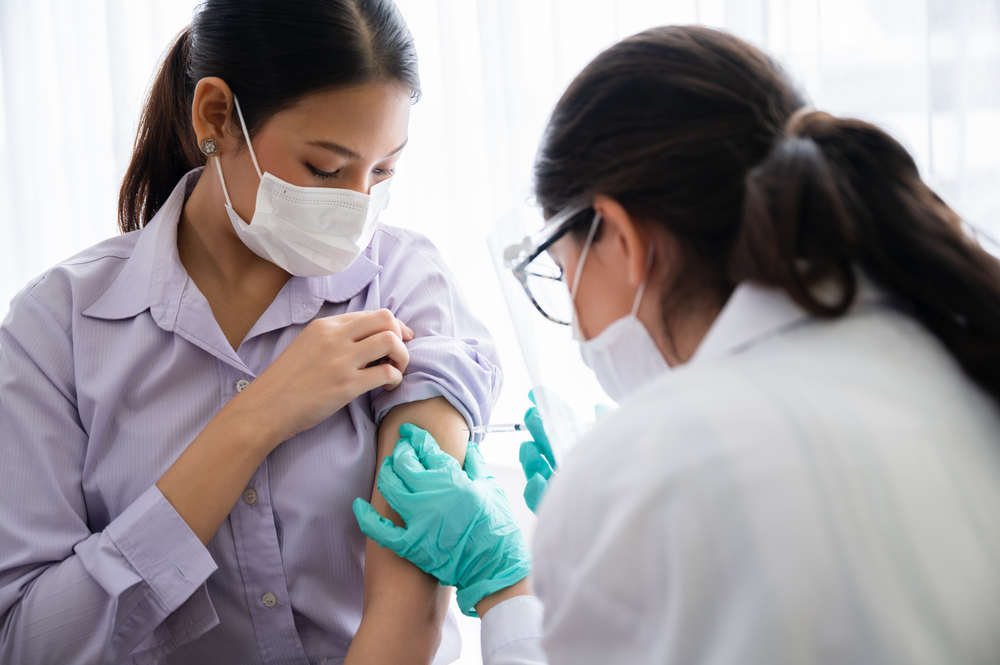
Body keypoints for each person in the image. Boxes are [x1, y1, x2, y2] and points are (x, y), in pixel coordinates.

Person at [354, 25, 1000, 664]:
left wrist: (511, 585)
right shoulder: (951, 342)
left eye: (559, 266)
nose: (574, 319)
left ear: (624, 239)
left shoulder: (640, 471)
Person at [0, 1, 501, 663]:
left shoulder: (402, 280)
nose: (357, 209)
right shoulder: (57, 328)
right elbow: (30, 640)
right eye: (325, 169)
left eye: (382, 172)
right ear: (215, 117)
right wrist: (255, 418)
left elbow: (407, 603)